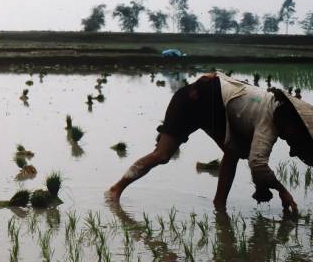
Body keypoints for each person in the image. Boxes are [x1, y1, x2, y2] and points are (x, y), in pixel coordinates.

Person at [107, 71, 313, 212]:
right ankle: (116, 189)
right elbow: (258, 164)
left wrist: (267, 186)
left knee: (233, 152)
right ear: (291, 122)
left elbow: (255, 162)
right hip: (191, 100)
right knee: (162, 155)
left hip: (211, 107)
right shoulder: (268, 119)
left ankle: (219, 204)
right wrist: (282, 190)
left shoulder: (275, 110)